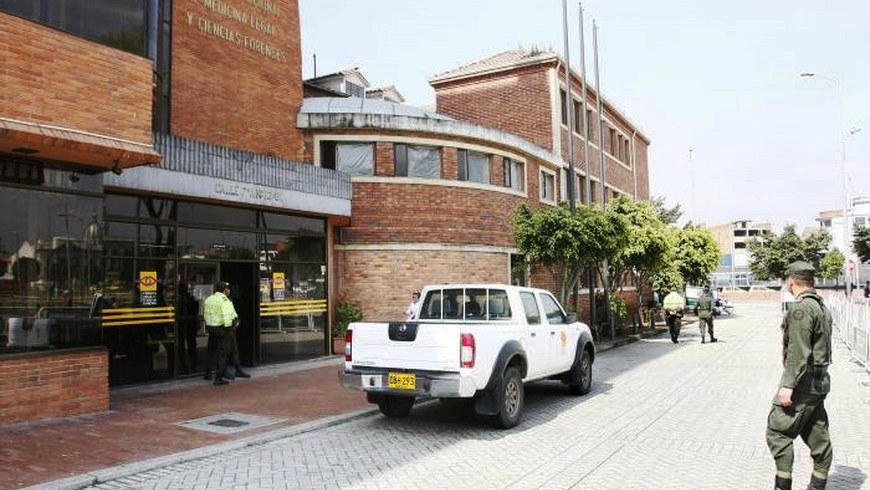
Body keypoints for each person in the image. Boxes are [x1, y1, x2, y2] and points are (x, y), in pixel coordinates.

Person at [766, 261, 833, 490]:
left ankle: (782, 485)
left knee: (778, 432)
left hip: (803, 382)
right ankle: (818, 484)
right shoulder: (821, 307)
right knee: (817, 433)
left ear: (791, 281)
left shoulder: (801, 309)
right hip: (819, 381)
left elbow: (798, 351)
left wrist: (787, 386)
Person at [202, 281, 241, 386]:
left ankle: (207, 373)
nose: (228, 290)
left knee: (211, 350)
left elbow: (205, 314)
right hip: (222, 329)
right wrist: (231, 326)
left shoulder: (209, 299)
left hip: (211, 328)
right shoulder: (224, 300)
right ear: (225, 290)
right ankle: (218, 378)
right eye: (227, 288)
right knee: (223, 354)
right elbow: (227, 316)